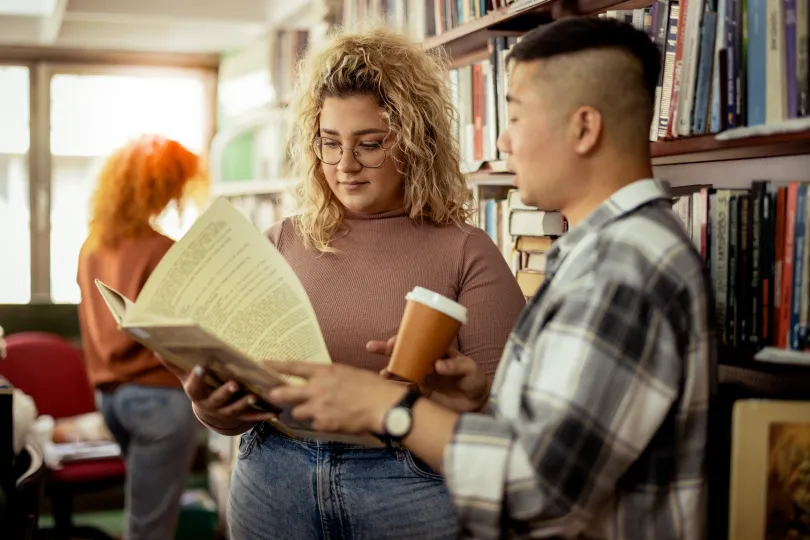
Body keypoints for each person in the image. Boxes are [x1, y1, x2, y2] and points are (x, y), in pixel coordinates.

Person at [265, 17, 716, 540]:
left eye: (518, 116)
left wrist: (389, 406)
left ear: (585, 128)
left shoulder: (624, 269)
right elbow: (561, 436)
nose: (504, 139)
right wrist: (481, 402)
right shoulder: (603, 252)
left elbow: (538, 491)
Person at [179, 27, 526, 540]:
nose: (345, 166)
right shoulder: (277, 242)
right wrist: (211, 408)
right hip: (273, 476)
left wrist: (462, 398)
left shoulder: (468, 251)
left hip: (407, 485)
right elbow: (235, 400)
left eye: (369, 145)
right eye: (330, 143)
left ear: (414, 142)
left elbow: (507, 428)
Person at [76, 134, 204, 540]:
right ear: (163, 188)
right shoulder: (164, 250)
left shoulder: (90, 246)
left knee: (142, 513)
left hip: (110, 397)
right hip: (160, 399)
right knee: (151, 527)